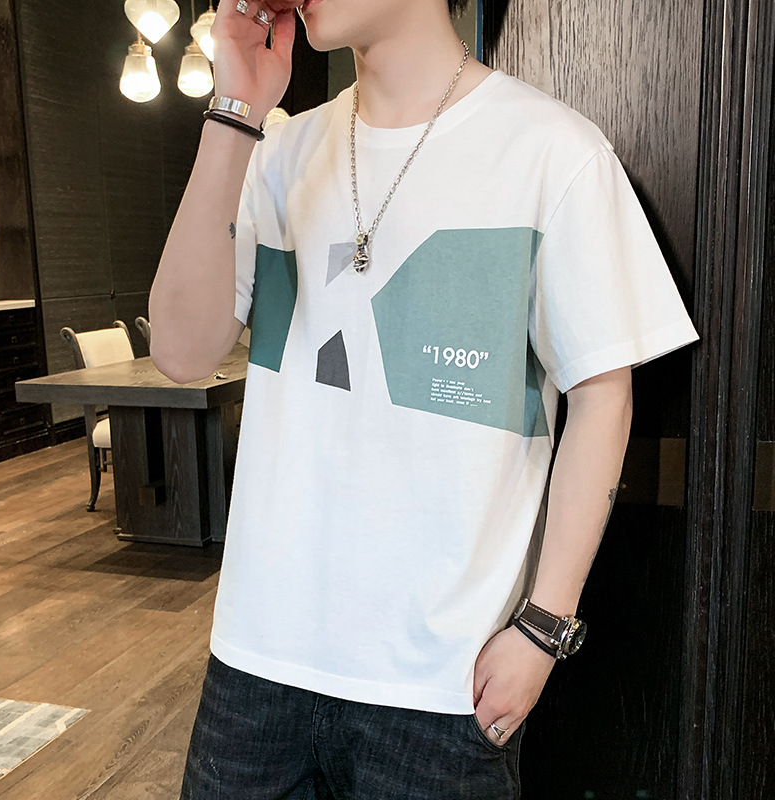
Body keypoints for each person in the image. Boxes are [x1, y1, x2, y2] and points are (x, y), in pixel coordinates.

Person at [148, 0, 701, 797]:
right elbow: (180, 351)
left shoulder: (553, 152)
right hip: (255, 666)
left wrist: (544, 629)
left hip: (442, 688)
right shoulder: (276, 151)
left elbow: (603, 397)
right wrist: (235, 107)